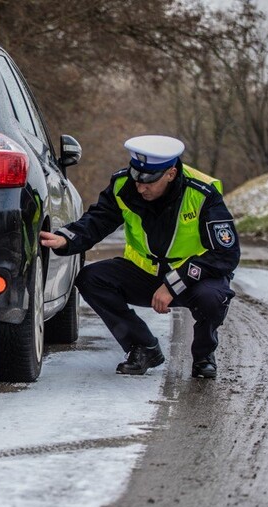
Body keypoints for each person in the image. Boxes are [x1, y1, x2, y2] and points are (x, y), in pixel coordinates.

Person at [40, 135, 240, 379]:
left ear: (170, 173)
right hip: (145, 274)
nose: (140, 186)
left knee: (213, 297)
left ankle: (203, 356)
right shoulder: (124, 185)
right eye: (137, 177)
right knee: (91, 278)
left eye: (149, 181)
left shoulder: (202, 193)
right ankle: (143, 347)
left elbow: (226, 254)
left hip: (191, 280)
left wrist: (173, 283)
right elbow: (98, 220)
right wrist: (67, 238)